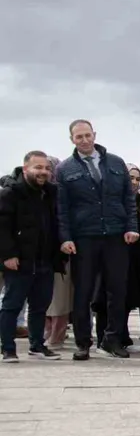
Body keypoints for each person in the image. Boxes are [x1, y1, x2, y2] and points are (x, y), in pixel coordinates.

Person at [57, 120, 139, 360]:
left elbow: (128, 198)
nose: (84, 140)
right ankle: (83, 342)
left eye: (87, 135)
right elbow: (61, 208)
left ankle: (112, 339)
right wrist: (65, 238)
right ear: (72, 139)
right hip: (84, 237)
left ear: (94, 135)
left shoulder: (115, 162)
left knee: (117, 289)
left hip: (115, 235)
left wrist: (131, 227)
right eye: (78, 137)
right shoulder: (64, 169)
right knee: (82, 291)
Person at [0, 151, 64, 362]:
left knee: (40, 306)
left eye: (46, 168)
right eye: (38, 168)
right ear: (26, 168)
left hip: (45, 260)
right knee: (12, 305)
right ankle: (7, 348)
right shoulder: (10, 193)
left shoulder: (51, 193)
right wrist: (8, 255)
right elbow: (3, 228)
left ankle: (37, 345)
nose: (43, 172)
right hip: (19, 261)